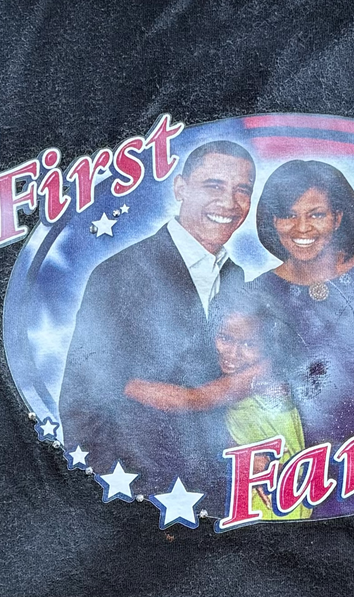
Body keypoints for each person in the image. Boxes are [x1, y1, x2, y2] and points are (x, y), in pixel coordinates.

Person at [57, 137, 254, 487]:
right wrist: (109, 490)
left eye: (242, 190)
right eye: (214, 186)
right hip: (137, 486)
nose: (229, 202)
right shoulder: (120, 272)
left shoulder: (234, 275)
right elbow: (82, 397)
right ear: (181, 188)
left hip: (210, 485)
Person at [246, 159, 354, 515]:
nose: (301, 227)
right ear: (272, 221)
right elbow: (236, 379)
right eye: (287, 215)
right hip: (300, 468)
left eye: (316, 214)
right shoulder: (256, 293)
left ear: (338, 218)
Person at [124, 281, 311, 519]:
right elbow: (228, 432)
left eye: (249, 344)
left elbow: (194, 399)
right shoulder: (224, 369)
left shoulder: (261, 372)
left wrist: (126, 385)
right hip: (254, 483)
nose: (232, 353)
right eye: (225, 338)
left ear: (268, 344)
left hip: (274, 488)